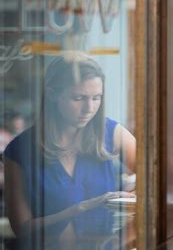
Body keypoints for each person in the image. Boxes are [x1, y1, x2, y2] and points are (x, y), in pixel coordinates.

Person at [3, 51, 136, 237]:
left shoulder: (112, 132)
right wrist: (81, 208)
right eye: (78, 98)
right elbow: (22, 229)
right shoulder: (18, 151)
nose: (89, 109)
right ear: (52, 94)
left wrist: (131, 189)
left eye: (96, 98)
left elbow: (155, 176)